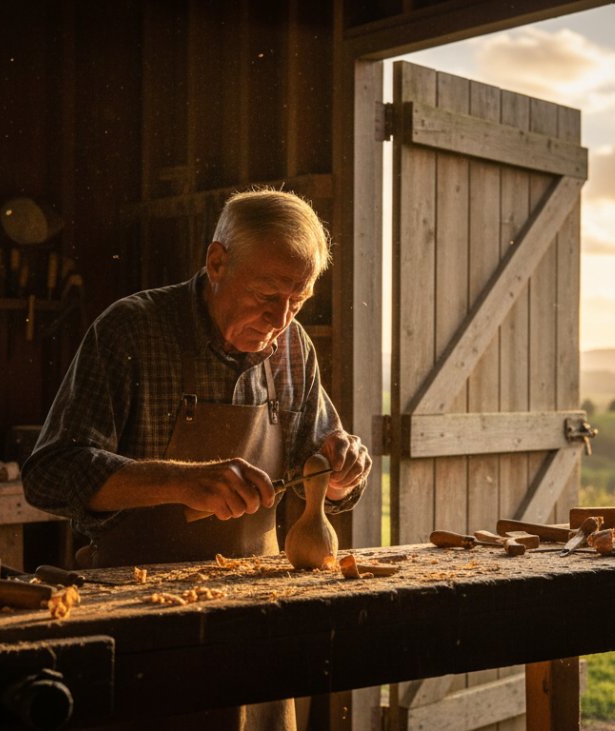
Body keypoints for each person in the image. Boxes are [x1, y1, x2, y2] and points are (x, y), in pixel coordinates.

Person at [23, 189, 371, 728]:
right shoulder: (133, 329)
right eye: (267, 295)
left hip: (255, 618)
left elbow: (318, 470)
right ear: (217, 262)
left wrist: (342, 472)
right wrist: (179, 481)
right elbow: (50, 472)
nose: (280, 319)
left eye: (297, 302)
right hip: (141, 620)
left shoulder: (294, 348)